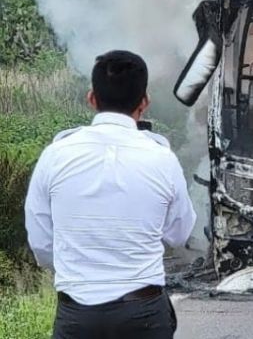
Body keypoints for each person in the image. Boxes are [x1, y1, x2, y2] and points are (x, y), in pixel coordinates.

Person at [25, 50, 196, 339]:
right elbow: (179, 234)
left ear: (92, 98)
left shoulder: (55, 156)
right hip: (143, 314)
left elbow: (41, 242)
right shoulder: (161, 158)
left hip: (76, 314)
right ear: (145, 102)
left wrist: (81, 270)